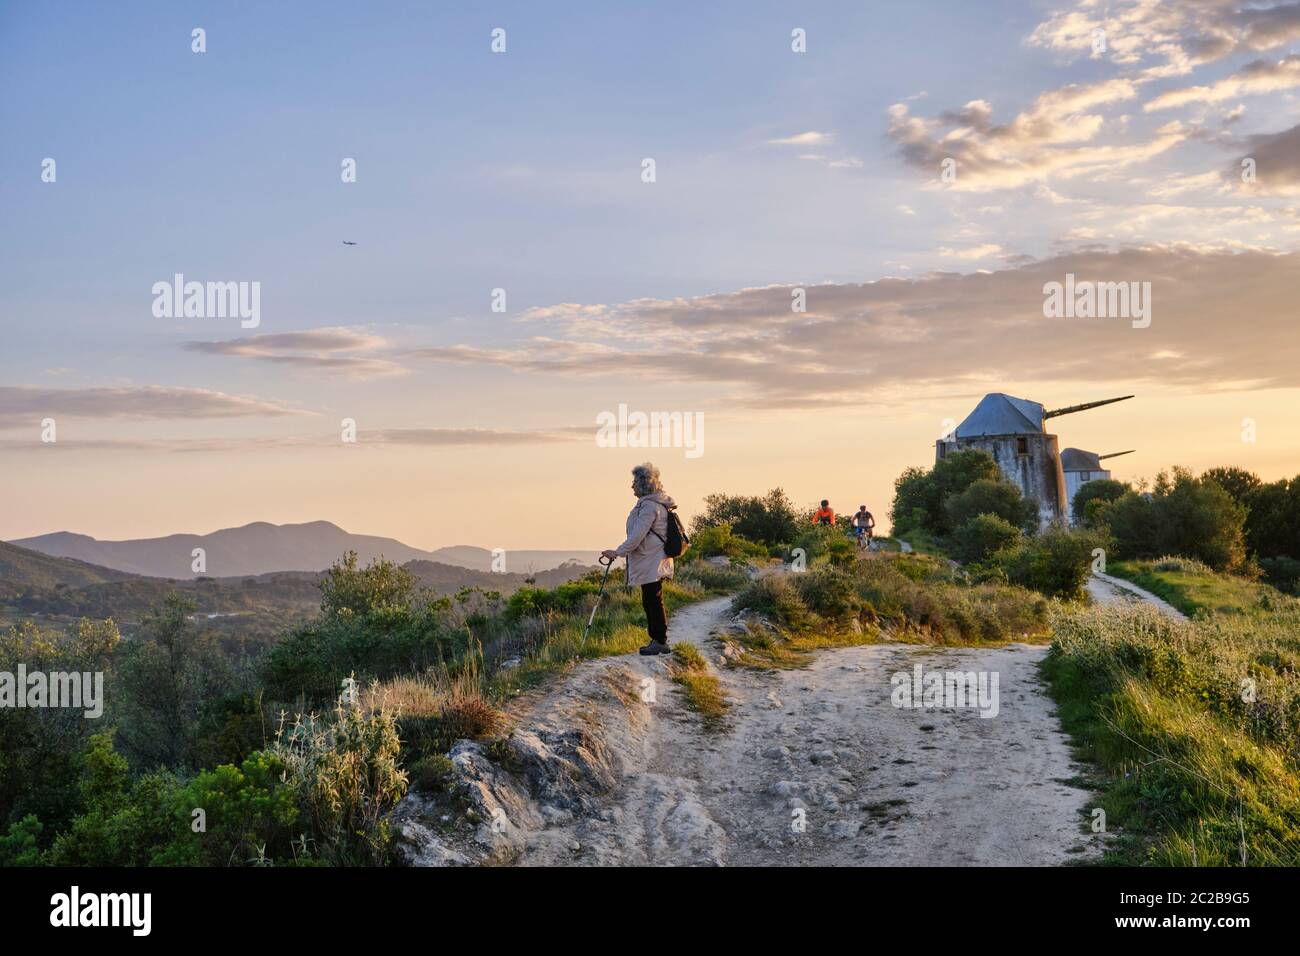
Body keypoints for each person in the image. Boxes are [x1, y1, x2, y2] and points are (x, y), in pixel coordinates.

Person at [602, 462, 677, 656]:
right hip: (652, 558)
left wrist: (617, 552)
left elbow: (637, 536)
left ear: (644, 484)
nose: (632, 486)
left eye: (635, 481)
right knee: (652, 599)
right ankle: (658, 640)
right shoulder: (652, 504)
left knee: (652, 600)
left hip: (651, 559)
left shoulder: (650, 506)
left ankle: (659, 641)